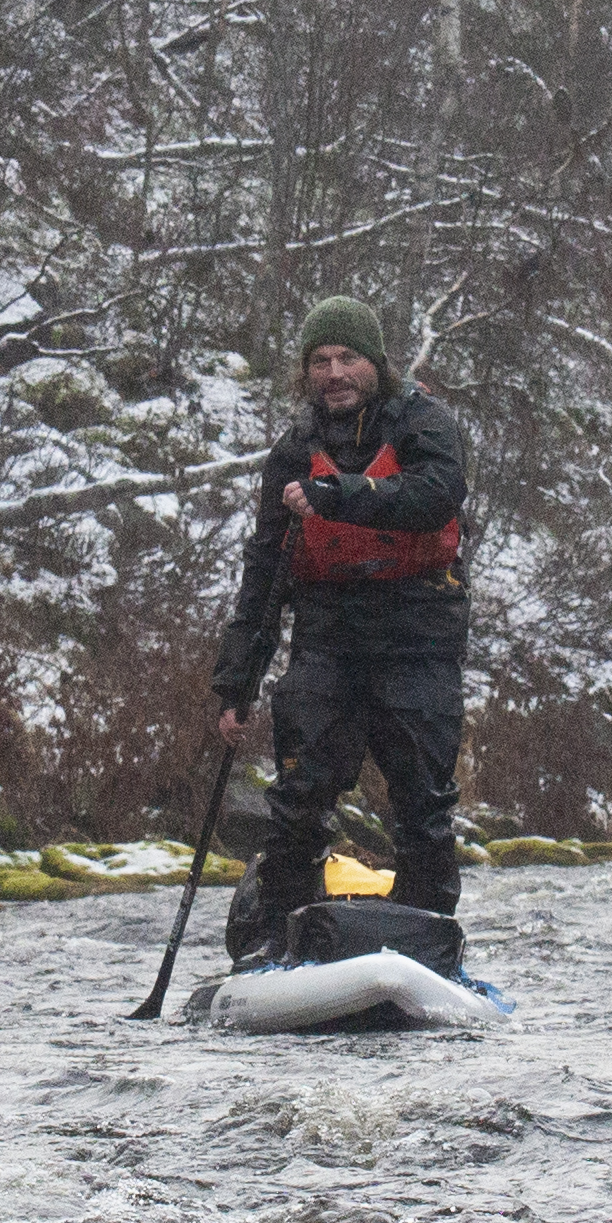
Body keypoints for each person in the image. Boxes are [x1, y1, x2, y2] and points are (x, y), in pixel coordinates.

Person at [212, 295, 468, 966]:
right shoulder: (293, 452)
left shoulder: (426, 425)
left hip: (417, 638)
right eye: (319, 361)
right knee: (298, 799)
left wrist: (336, 497)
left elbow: (433, 496)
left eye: (347, 358)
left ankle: (429, 946)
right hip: (328, 637)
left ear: (374, 365)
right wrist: (236, 680)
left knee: (423, 805)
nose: (333, 373)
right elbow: (264, 573)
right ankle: (277, 943)